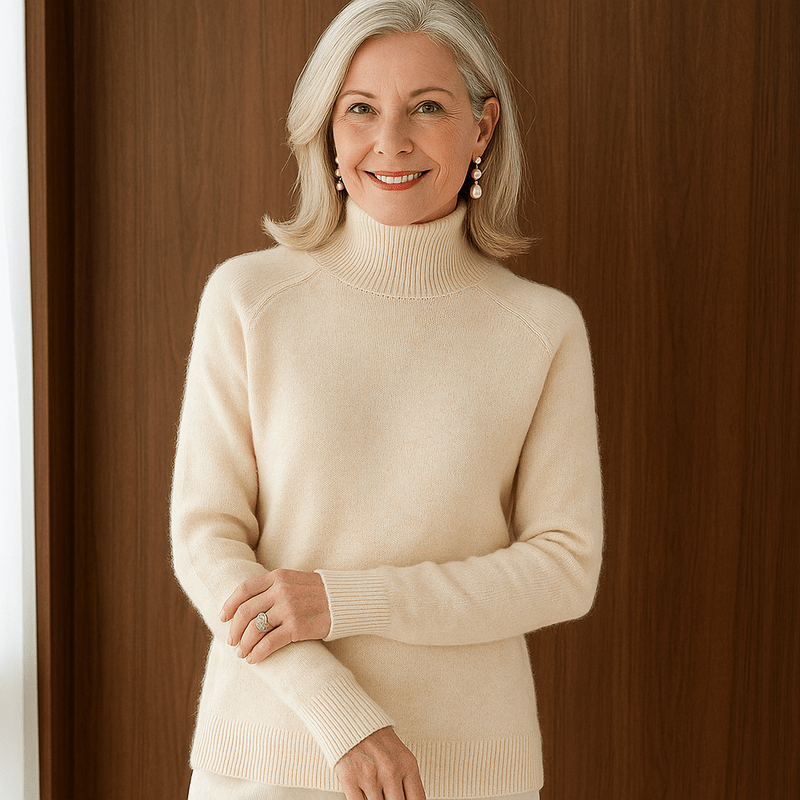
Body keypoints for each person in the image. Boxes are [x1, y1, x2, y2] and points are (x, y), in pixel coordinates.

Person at [170, 1, 603, 798]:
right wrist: (343, 716)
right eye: (360, 109)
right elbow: (207, 542)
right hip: (269, 759)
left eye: (427, 107)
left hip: (467, 772)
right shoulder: (249, 298)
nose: (390, 141)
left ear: (483, 127)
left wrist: (340, 602)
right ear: (327, 130)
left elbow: (563, 570)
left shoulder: (541, 329)